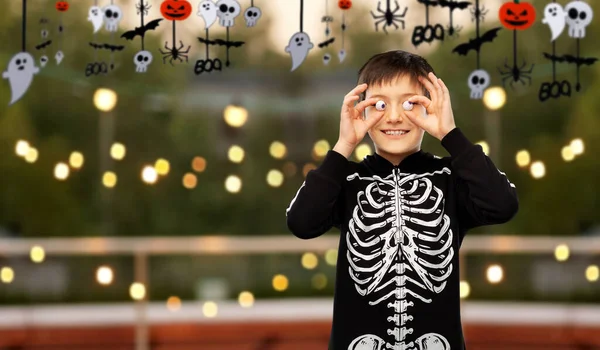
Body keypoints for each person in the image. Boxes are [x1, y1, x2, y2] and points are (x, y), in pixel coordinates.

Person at [285, 50, 518, 349]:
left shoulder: (452, 177)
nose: (394, 116)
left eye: (410, 103)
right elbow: (301, 222)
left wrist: (450, 134)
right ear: (361, 109)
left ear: (432, 107)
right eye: (379, 104)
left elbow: (504, 204)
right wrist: (343, 146)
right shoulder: (346, 181)